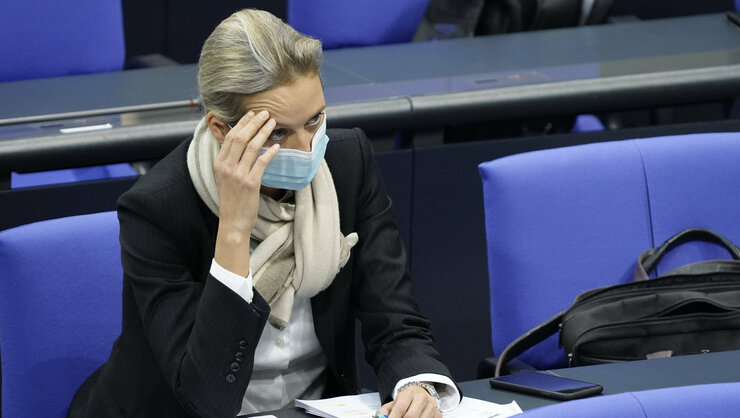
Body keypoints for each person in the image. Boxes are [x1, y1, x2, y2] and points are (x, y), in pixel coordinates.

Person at [68, 9, 460, 418]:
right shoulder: (158, 208)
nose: (307, 148)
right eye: (276, 133)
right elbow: (204, 397)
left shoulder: (348, 165)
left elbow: (396, 318)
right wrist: (234, 232)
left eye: (315, 120)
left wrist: (415, 384)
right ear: (222, 130)